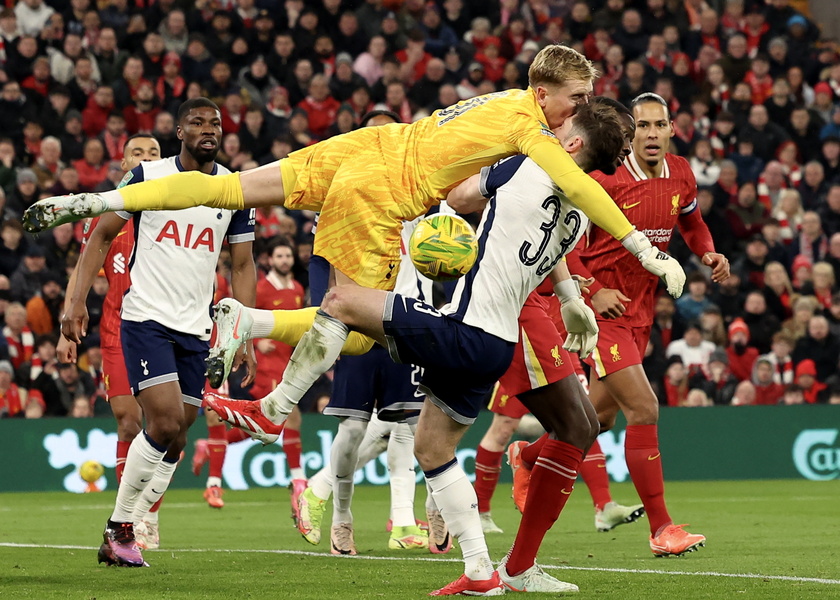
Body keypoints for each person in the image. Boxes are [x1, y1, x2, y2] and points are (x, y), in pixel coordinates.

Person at [24, 47, 686, 441]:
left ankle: (101, 200)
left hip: (369, 144)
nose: (581, 110)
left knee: (225, 191)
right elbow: (581, 184)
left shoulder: (508, 100)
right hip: (385, 188)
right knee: (359, 321)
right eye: (579, 99)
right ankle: (267, 382)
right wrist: (645, 249)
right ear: (548, 94)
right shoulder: (533, 123)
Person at [209, 100, 628, 594]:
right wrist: (569, 294)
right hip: (496, 343)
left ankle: (272, 409)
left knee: (341, 301)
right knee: (432, 448)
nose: (550, 126)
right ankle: (480, 572)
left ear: (572, 142)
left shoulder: (524, 165)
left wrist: (443, 229)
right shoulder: (577, 216)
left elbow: (461, 194)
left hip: (463, 331)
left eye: (563, 125)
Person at [59, 98, 256, 568]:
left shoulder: (235, 189)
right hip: (146, 317)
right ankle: (121, 526)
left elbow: (243, 263)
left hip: (196, 326)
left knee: (179, 432)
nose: (209, 129)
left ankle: (131, 522)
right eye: (198, 122)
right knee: (162, 422)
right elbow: (101, 235)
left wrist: (242, 330)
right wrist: (75, 301)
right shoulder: (148, 177)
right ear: (180, 132)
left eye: (216, 123)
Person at [556, 92, 730, 557]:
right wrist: (593, 291)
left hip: (641, 312)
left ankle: (529, 457)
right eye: (643, 127)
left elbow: (691, 224)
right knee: (645, 410)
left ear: (672, 130)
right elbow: (566, 244)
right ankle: (662, 529)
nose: (652, 134)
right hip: (601, 313)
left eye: (660, 125)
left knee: (598, 418)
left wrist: (707, 251)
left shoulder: (681, 173)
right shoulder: (604, 177)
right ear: (630, 133)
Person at [57, 133, 164, 547]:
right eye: (138, 153)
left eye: (153, 153)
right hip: (118, 330)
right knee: (128, 420)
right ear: (124, 165)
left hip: (164, 328)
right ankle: (128, 522)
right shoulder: (107, 218)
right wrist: (68, 325)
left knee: (164, 424)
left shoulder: (175, 211)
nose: (146, 158)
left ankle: (147, 514)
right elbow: (83, 267)